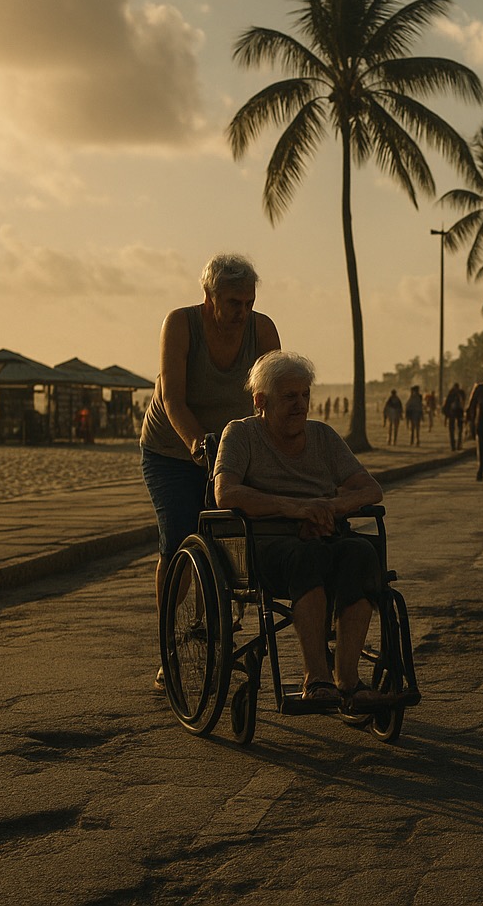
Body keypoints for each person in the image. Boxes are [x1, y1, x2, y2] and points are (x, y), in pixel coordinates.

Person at [214, 351, 391, 717]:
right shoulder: (241, 434)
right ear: (261, 401)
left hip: (324, 537)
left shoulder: (322, 436)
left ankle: (348, 681)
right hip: (266, 545)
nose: (301, 404)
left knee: (362, 555)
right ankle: (317, 679)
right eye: (290, 396)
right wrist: (296, 509)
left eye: (305, 394)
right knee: (307, 556)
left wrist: (330, 508)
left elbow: (370, 489)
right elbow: (226, 494)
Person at [139, 253, 280, 690]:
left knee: (243, 534)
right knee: (179, 538)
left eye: (249, 302)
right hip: (172, 450)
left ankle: (219, 622)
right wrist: (198, 445)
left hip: (231, 449)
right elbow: (172, 399)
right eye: (234, 302)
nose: (243, 312)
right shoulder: (181, 324)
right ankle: (168, 646)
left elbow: (272, 395)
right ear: (209, 296)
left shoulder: (262, 330)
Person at [442, 382, 466, 451]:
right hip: (458, 412)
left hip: (453, 412)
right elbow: (463, 402)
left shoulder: (452, 393)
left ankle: (454, 445)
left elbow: (447, 404)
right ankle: (458, 444)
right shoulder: (460, 393)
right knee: (459, 429)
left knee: (453, 429)